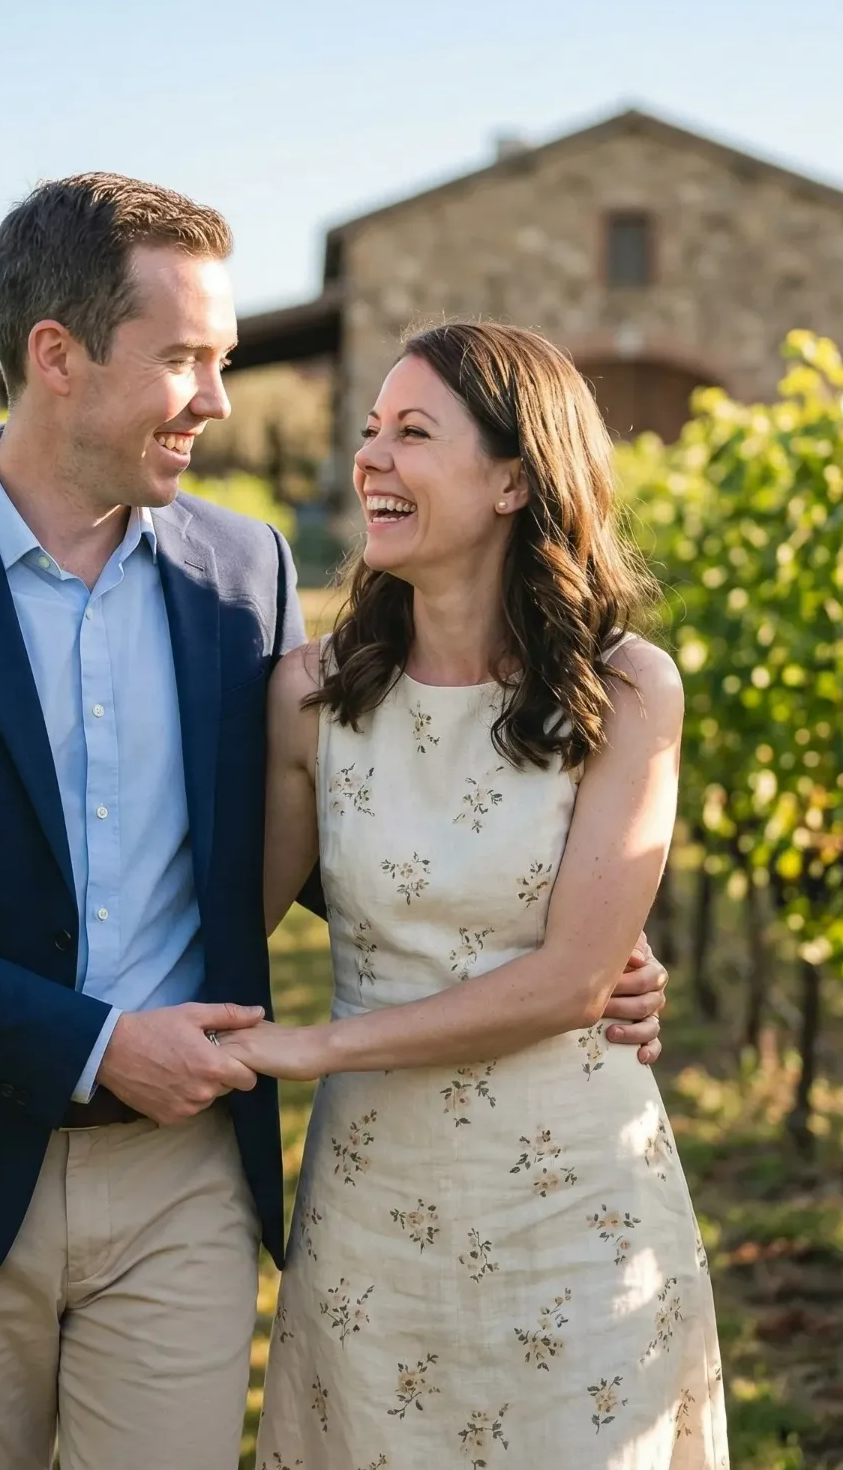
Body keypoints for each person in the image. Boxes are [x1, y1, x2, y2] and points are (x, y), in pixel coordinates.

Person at [0, 175, 670, 1470]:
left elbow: (324, 831)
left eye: (226, 358)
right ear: (58, 357)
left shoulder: (244, 573)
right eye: (186, 357)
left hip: (185, 1168)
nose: (219, 399)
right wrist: (91, 1046)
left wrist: (581, 940)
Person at [227, 320, 727, 1468]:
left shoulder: (626, 688)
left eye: (413, 432)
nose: (372, 460)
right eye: (368, 433)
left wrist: (307, 1050)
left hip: (577, 1211)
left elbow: (572, 981)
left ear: (513, 477)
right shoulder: (310, 694)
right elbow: (239, 912)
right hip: (371, 1209)